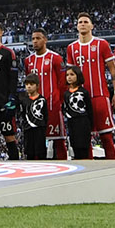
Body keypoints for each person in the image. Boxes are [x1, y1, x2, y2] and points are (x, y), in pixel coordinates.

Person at [66, 13, 115, 159]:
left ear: (91, 26)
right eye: (80, 22)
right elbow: (70, 75)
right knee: (85, 138)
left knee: (106, 137)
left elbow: (112, 69)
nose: (82, 24)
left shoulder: (102, 44)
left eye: (85, 22)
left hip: (100, 96)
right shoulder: (72, 48)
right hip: (80, 100)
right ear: (76, 26)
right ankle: (91, 172)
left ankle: (113, 171)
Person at [23, 30, 67, 158]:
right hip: (35, 109)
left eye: (38, 38)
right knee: (36, 141)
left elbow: (62, 82)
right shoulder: (28, 61)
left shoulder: (56, 58)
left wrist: (60, 102)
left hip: (52, 105)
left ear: (45, 40)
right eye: (33, 39)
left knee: (59, 140)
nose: (35, 41)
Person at [63, 65, 93, 160]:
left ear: (78, 76)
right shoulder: (66, 94)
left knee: (84, 147)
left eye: (72, 74)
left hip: (83, 122)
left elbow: (89, 109)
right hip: (72, 122)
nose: (69, 77)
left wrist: (90, 125)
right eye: (67, 75)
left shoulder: (84, 92)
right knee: (74, 145)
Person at [19, 75, 49, 161]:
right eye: (27, 84)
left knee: (41, 152)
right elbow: (23, 114)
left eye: (31, 84)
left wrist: (42, 126)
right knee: (30, 152)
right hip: (28, 129)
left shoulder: (42, 100)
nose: (29, 86)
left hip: (39, 129)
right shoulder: (24, 101)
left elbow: (45, 115)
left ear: (37, 85)